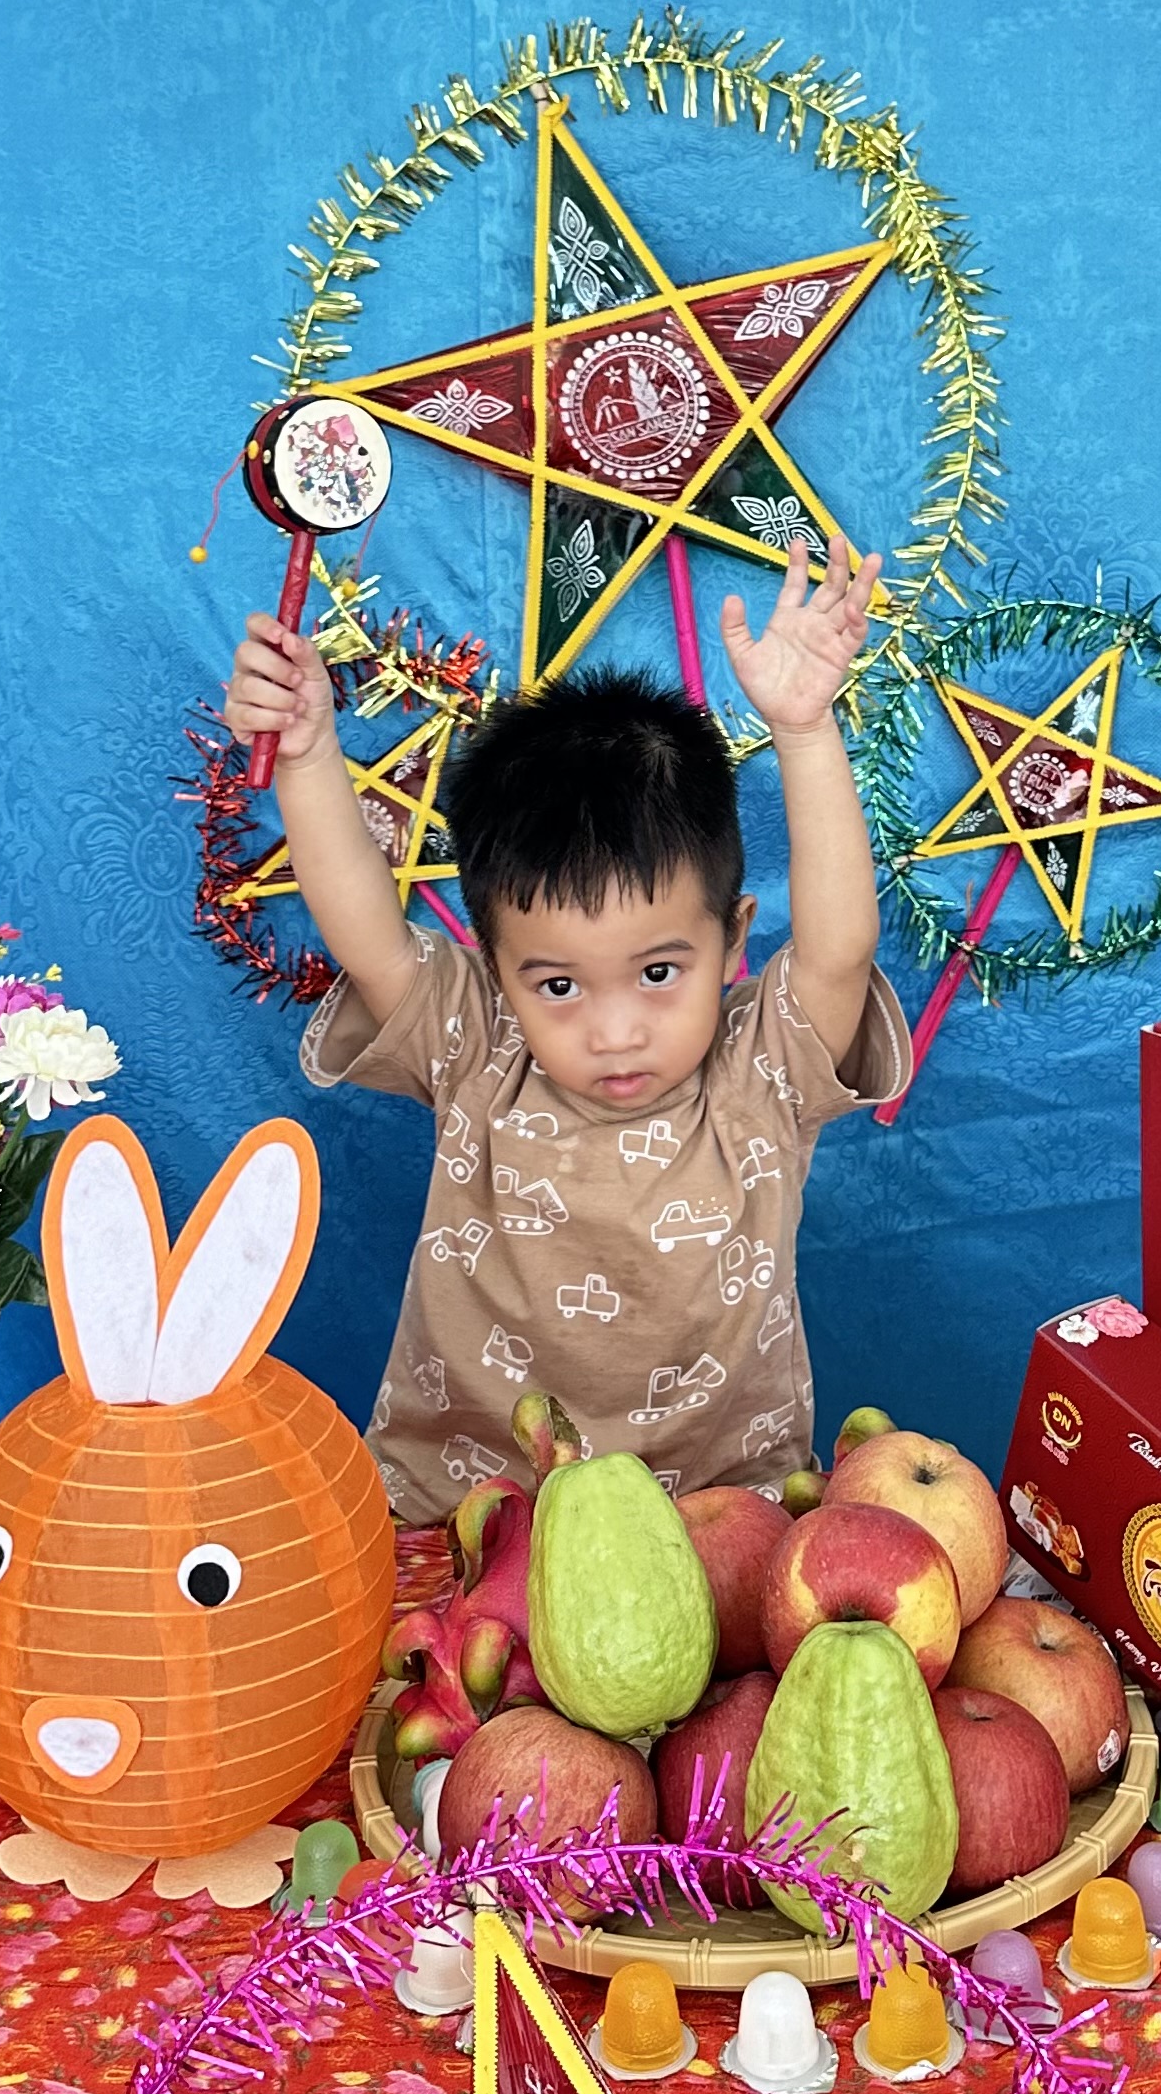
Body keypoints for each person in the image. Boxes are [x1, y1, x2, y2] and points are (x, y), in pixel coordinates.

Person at [222, 536, 912, 1523]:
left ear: (734, 941)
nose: (615, 1031)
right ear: (496, 971)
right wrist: (306, 755)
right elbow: (370, 938)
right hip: (462, 1517)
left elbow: (839, 952)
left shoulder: (763, 1071)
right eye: (557, 985)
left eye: (660, 972)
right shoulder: (476, 1042)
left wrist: (803, 734)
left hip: (723, 1523)